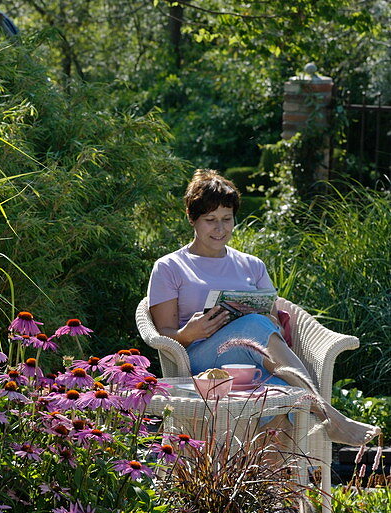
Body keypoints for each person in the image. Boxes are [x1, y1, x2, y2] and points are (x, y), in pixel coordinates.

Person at [147, 169, 379, 447]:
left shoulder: (251, 265)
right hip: (200, 361)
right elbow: (163, 335)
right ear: (191, 217)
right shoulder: (170, 267)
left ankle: (266, 487)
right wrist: (189, 333)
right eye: (210, 220)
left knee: (282, 394)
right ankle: (331, 417)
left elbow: (274, 323)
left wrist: (264, 316)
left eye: (227, 219)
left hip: (253, 359)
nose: (220, 229)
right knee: (256, 327)